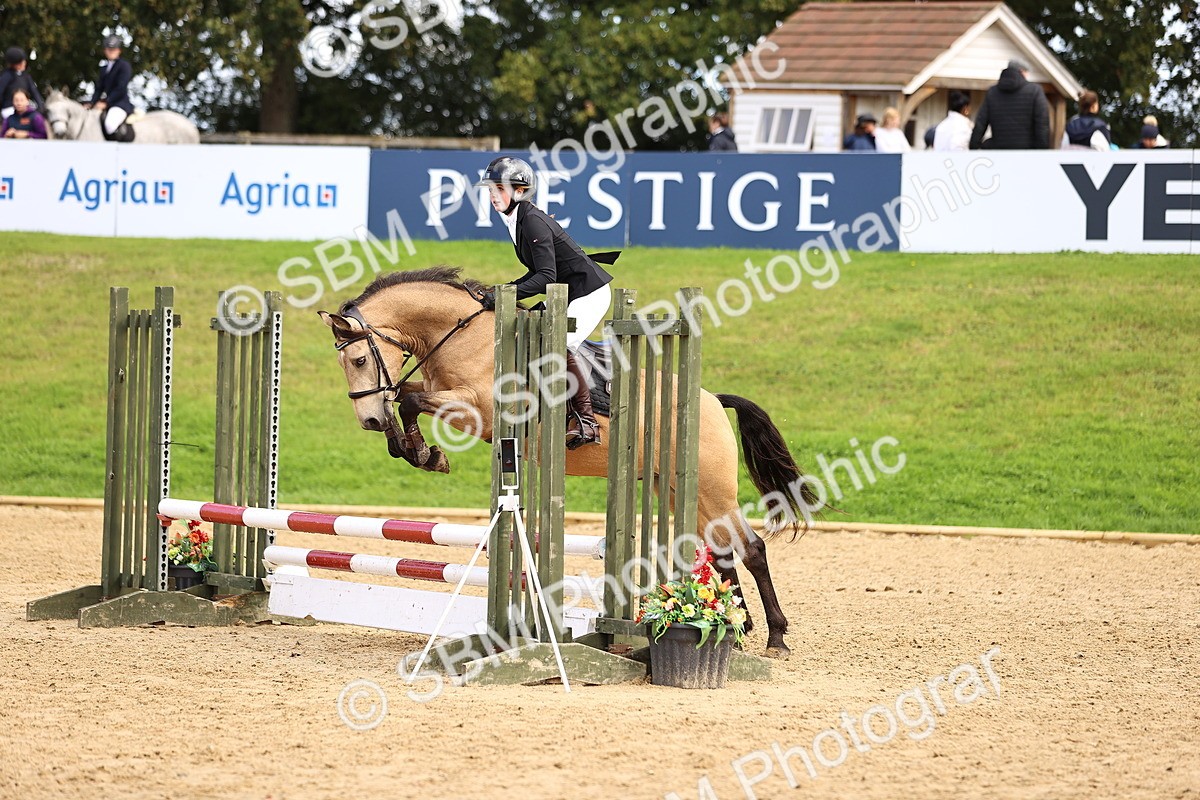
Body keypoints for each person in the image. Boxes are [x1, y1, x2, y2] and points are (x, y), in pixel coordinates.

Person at [476, 156, 615, 449]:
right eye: (490, 190)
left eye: (498, 189)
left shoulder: (533, 222)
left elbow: (546, 276)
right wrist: (504, 289)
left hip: (588, 293)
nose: (492, 196)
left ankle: (587, 422)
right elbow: (536, 274)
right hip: (566, 292)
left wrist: (504, 295)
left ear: (520, 191)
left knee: (562, 345)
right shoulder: (518, 220)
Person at [969, 59, 1049, 149]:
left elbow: (981, 123)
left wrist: (973, 147)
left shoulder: (992, 92)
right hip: (1026, 152)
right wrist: (1042, 151)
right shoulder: (1035, 90)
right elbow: (1042, 125)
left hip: (998, 151)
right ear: (1022, 71)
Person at [83, 34, 135, 142]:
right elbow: (99, 88)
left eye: (113, 49)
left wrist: (106, 102)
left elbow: (120, 88)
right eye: (108, 49)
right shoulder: (104, 68)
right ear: (105, 50)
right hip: (107, 103)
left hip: (120, 103)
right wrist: (92, 102)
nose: (111, 51)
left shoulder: (124, 66)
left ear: (119, 50)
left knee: (109, 124)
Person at [0, 46, 45, 119]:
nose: (24, 63)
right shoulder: (7, 76)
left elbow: (34, 92)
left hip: (25, 107)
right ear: (14, 64)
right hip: (9, 108)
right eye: (21, 62)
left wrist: (41, 106)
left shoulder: (26, 76)